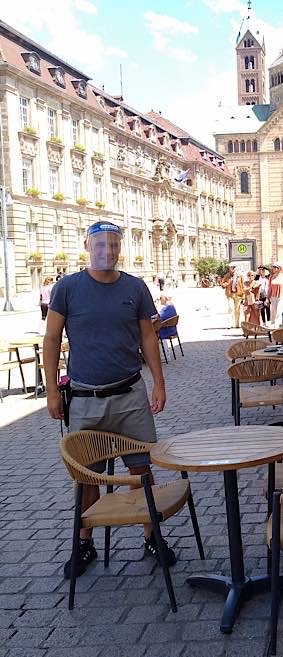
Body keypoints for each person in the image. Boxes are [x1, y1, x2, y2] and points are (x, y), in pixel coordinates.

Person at [43, 220, 171, 579]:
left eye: (113, 245)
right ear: (87, 246)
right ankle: (84, 542)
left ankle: (151, 535)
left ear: (119, 249)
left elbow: (148, 337)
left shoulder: (135, 287)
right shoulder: (67, 288)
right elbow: (51, 340)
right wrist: (52, 390)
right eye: (100, 245)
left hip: (130, 394)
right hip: (85, 398)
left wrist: (158, 383)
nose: (107, 251)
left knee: (141, 467)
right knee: (86, 476)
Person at [220, 262, 245, 329]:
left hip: (238, 294)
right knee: (231, 308)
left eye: (234, 267)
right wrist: (224, 285)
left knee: (237, 309)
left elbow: (242, 286)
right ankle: (230, 324)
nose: (233, 269)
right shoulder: (227, 276)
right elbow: (222, 284)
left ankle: (237, 324)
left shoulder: (240, 276)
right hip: (230, 294)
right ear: (229, 268)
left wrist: (243, 295)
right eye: (231, 267)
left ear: (236, 268)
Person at [267, 262, 283, 328]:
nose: (274, 268)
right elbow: (269, 288)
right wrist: (267, 298)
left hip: (281, 297)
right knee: (273, 312)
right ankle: (273, 327)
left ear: (279, 268)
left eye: (276, 267)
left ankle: (278, 327)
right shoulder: (271, 277)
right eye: (273, 267)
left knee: (279, 312)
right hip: (273, 297)